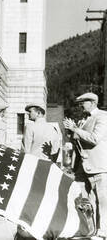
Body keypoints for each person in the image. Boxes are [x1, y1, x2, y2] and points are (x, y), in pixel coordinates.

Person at [63, 92, 107, 239]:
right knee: (90, 199)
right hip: (86, 166)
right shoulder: (85, 120)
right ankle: (94, 229)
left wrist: (75, 129)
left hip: (99, 165)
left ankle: (103, 231)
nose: (81, 105)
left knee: (103, 201)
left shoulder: (102, 116)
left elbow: (94, 139)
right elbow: (79, 141)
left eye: (84, 102)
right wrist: (72, 131)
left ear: (93, 103)